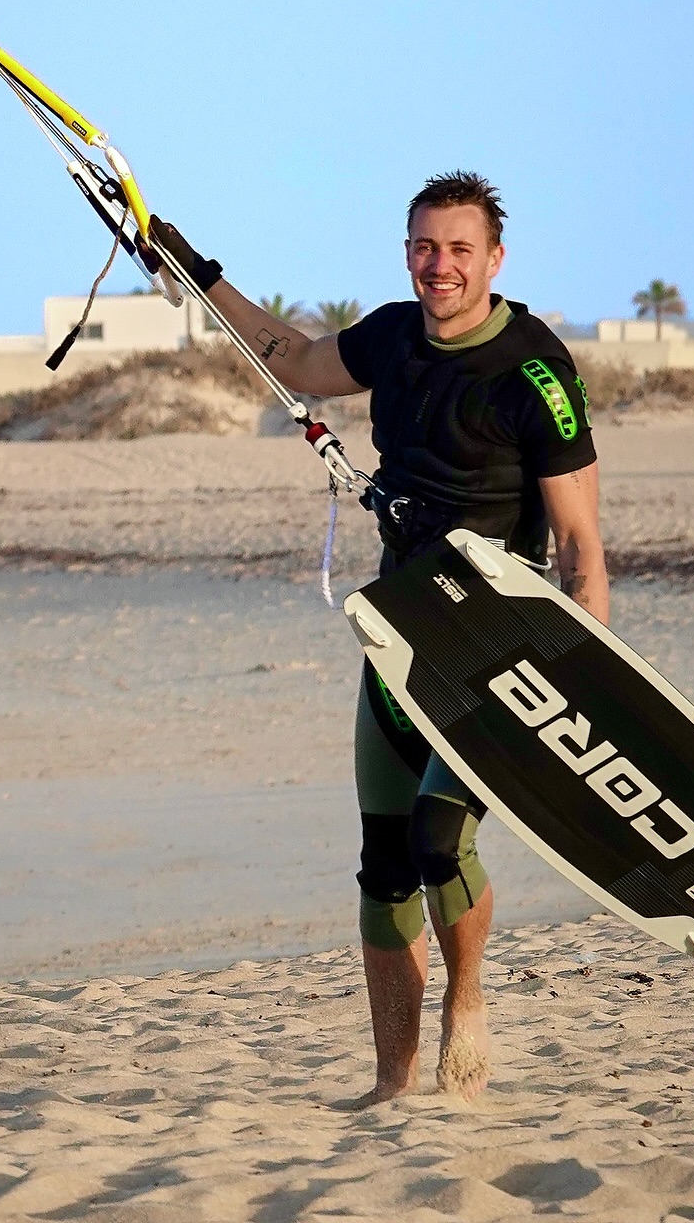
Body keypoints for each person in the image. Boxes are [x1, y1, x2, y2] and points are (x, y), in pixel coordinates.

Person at [150, 170, 609, 1104]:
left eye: (459, 250)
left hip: (497, 648)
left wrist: (582, 673)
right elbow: (294, 358)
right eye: (425, 247)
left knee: (441, 838)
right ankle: (391, 1085)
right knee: (384, 865)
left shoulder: (535, 372)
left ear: (495, 259)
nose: (441, 266)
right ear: (407, 253)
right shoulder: (395, 336)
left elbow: (580, 547)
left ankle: (467, 1006)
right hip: (401, 636)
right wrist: (195, 272)